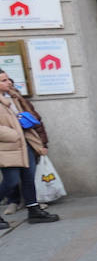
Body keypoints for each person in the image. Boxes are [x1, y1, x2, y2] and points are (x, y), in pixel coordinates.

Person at [0, 69, 59, 229]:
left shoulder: (13, 96)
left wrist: (39, 143)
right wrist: (15, 133)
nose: (8, 82)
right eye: (3, 80)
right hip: (7, 148)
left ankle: (34, 210)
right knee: (11, 181)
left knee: (28, 178)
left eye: (7, 79)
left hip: (26, 143)